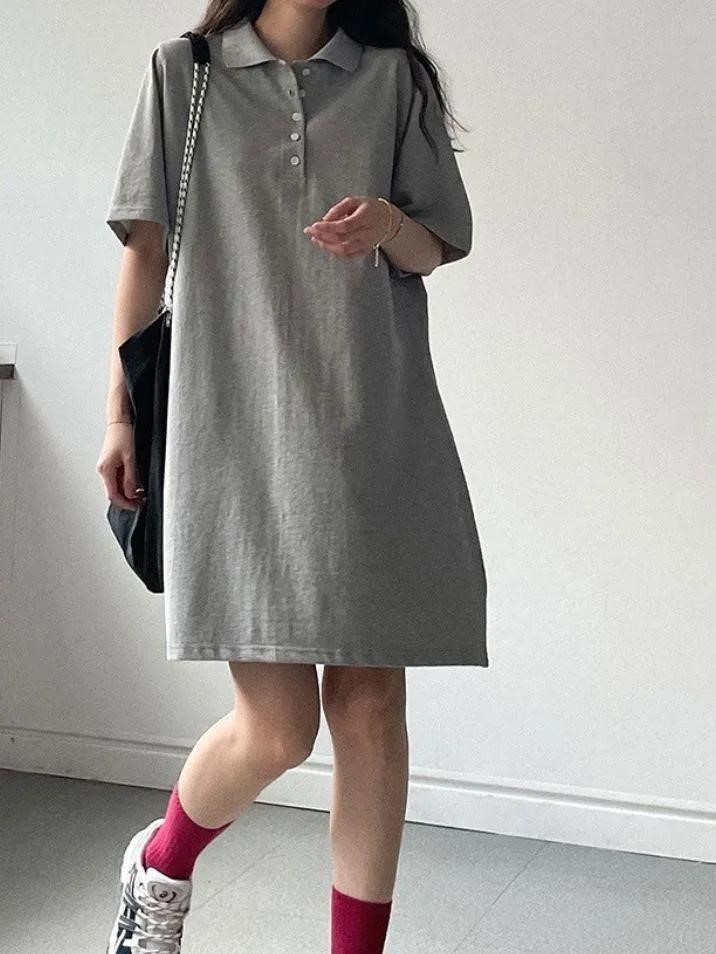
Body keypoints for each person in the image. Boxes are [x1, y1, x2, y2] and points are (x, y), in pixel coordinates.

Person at [97, 1, 489, 951]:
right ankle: (161, 867)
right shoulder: (184, 72)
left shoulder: (392, 80)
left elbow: (436, 245)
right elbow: (147, 252)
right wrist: (121, 414)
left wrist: (388, 221)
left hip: (373, 423)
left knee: (370, 708)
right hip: (231, 426)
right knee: (276, 729)